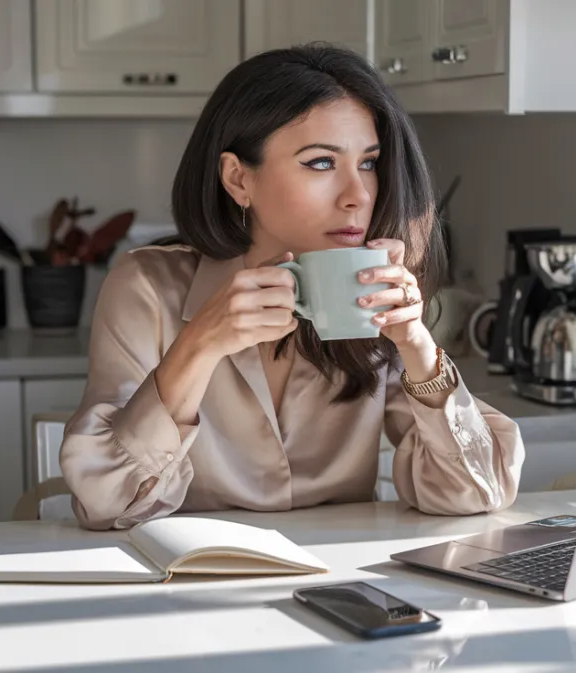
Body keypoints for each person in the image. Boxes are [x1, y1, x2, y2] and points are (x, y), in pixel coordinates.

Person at [59, 44, 524, 531]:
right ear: (239, 179)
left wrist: (417, 347)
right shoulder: (147, 286)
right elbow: (107, 504)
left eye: (368, 163)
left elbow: (475, 493)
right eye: (321, 163)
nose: (358, 195)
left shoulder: (373, 286)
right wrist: (198, 346)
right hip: (185, 588)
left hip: (338, 582)